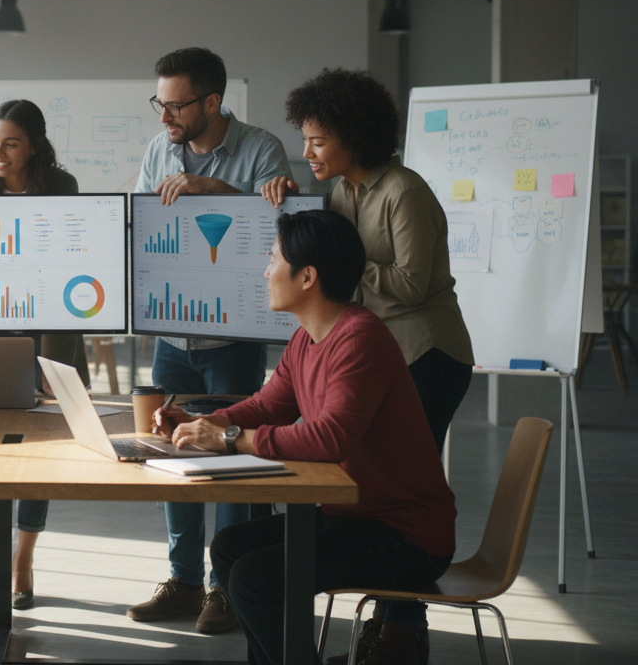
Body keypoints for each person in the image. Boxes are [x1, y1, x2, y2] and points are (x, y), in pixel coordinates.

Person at [159, 209, 456, 665]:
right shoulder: (307, 338)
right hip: (352, 517)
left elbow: (330, 439)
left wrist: (232, 438)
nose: (265, 270)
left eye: (274, 258)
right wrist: (206, 423)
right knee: (230, 548)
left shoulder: (359, 339)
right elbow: (267, 405)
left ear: (307, 277)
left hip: (407, 534)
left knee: (254, 579)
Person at [262, 68, 474, 665]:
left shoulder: (404, 190)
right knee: (369, 482)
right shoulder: (339, 192)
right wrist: (291, 199)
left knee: (398, 494)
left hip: (427, 353)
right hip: (379, 352)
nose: (307, 152)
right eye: (304, 140)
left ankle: (401, 630)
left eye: (317, 141)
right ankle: (382, 615)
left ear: (354, 138)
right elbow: (324, 253)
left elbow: (409, 282)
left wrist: (339, 269)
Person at [128, 47, 293, 632]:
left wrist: (215, 189)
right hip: (174, 332)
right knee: (169, 455)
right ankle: (183, 580)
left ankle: (226, 588)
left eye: (175, 106)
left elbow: (281, 228)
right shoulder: (158, 150)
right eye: (160, 104)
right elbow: (148, 223)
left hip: (233, 337)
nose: (165, 117)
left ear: (213, 101)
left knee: (231, 461)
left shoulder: (261, 149)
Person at [0, 98, 86, 610]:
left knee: (42, 452)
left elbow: (62, 265)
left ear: (34, 145)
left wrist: (54, 363)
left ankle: (23, 558)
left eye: (11, 142)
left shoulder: (62, 186)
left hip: (48, 326)